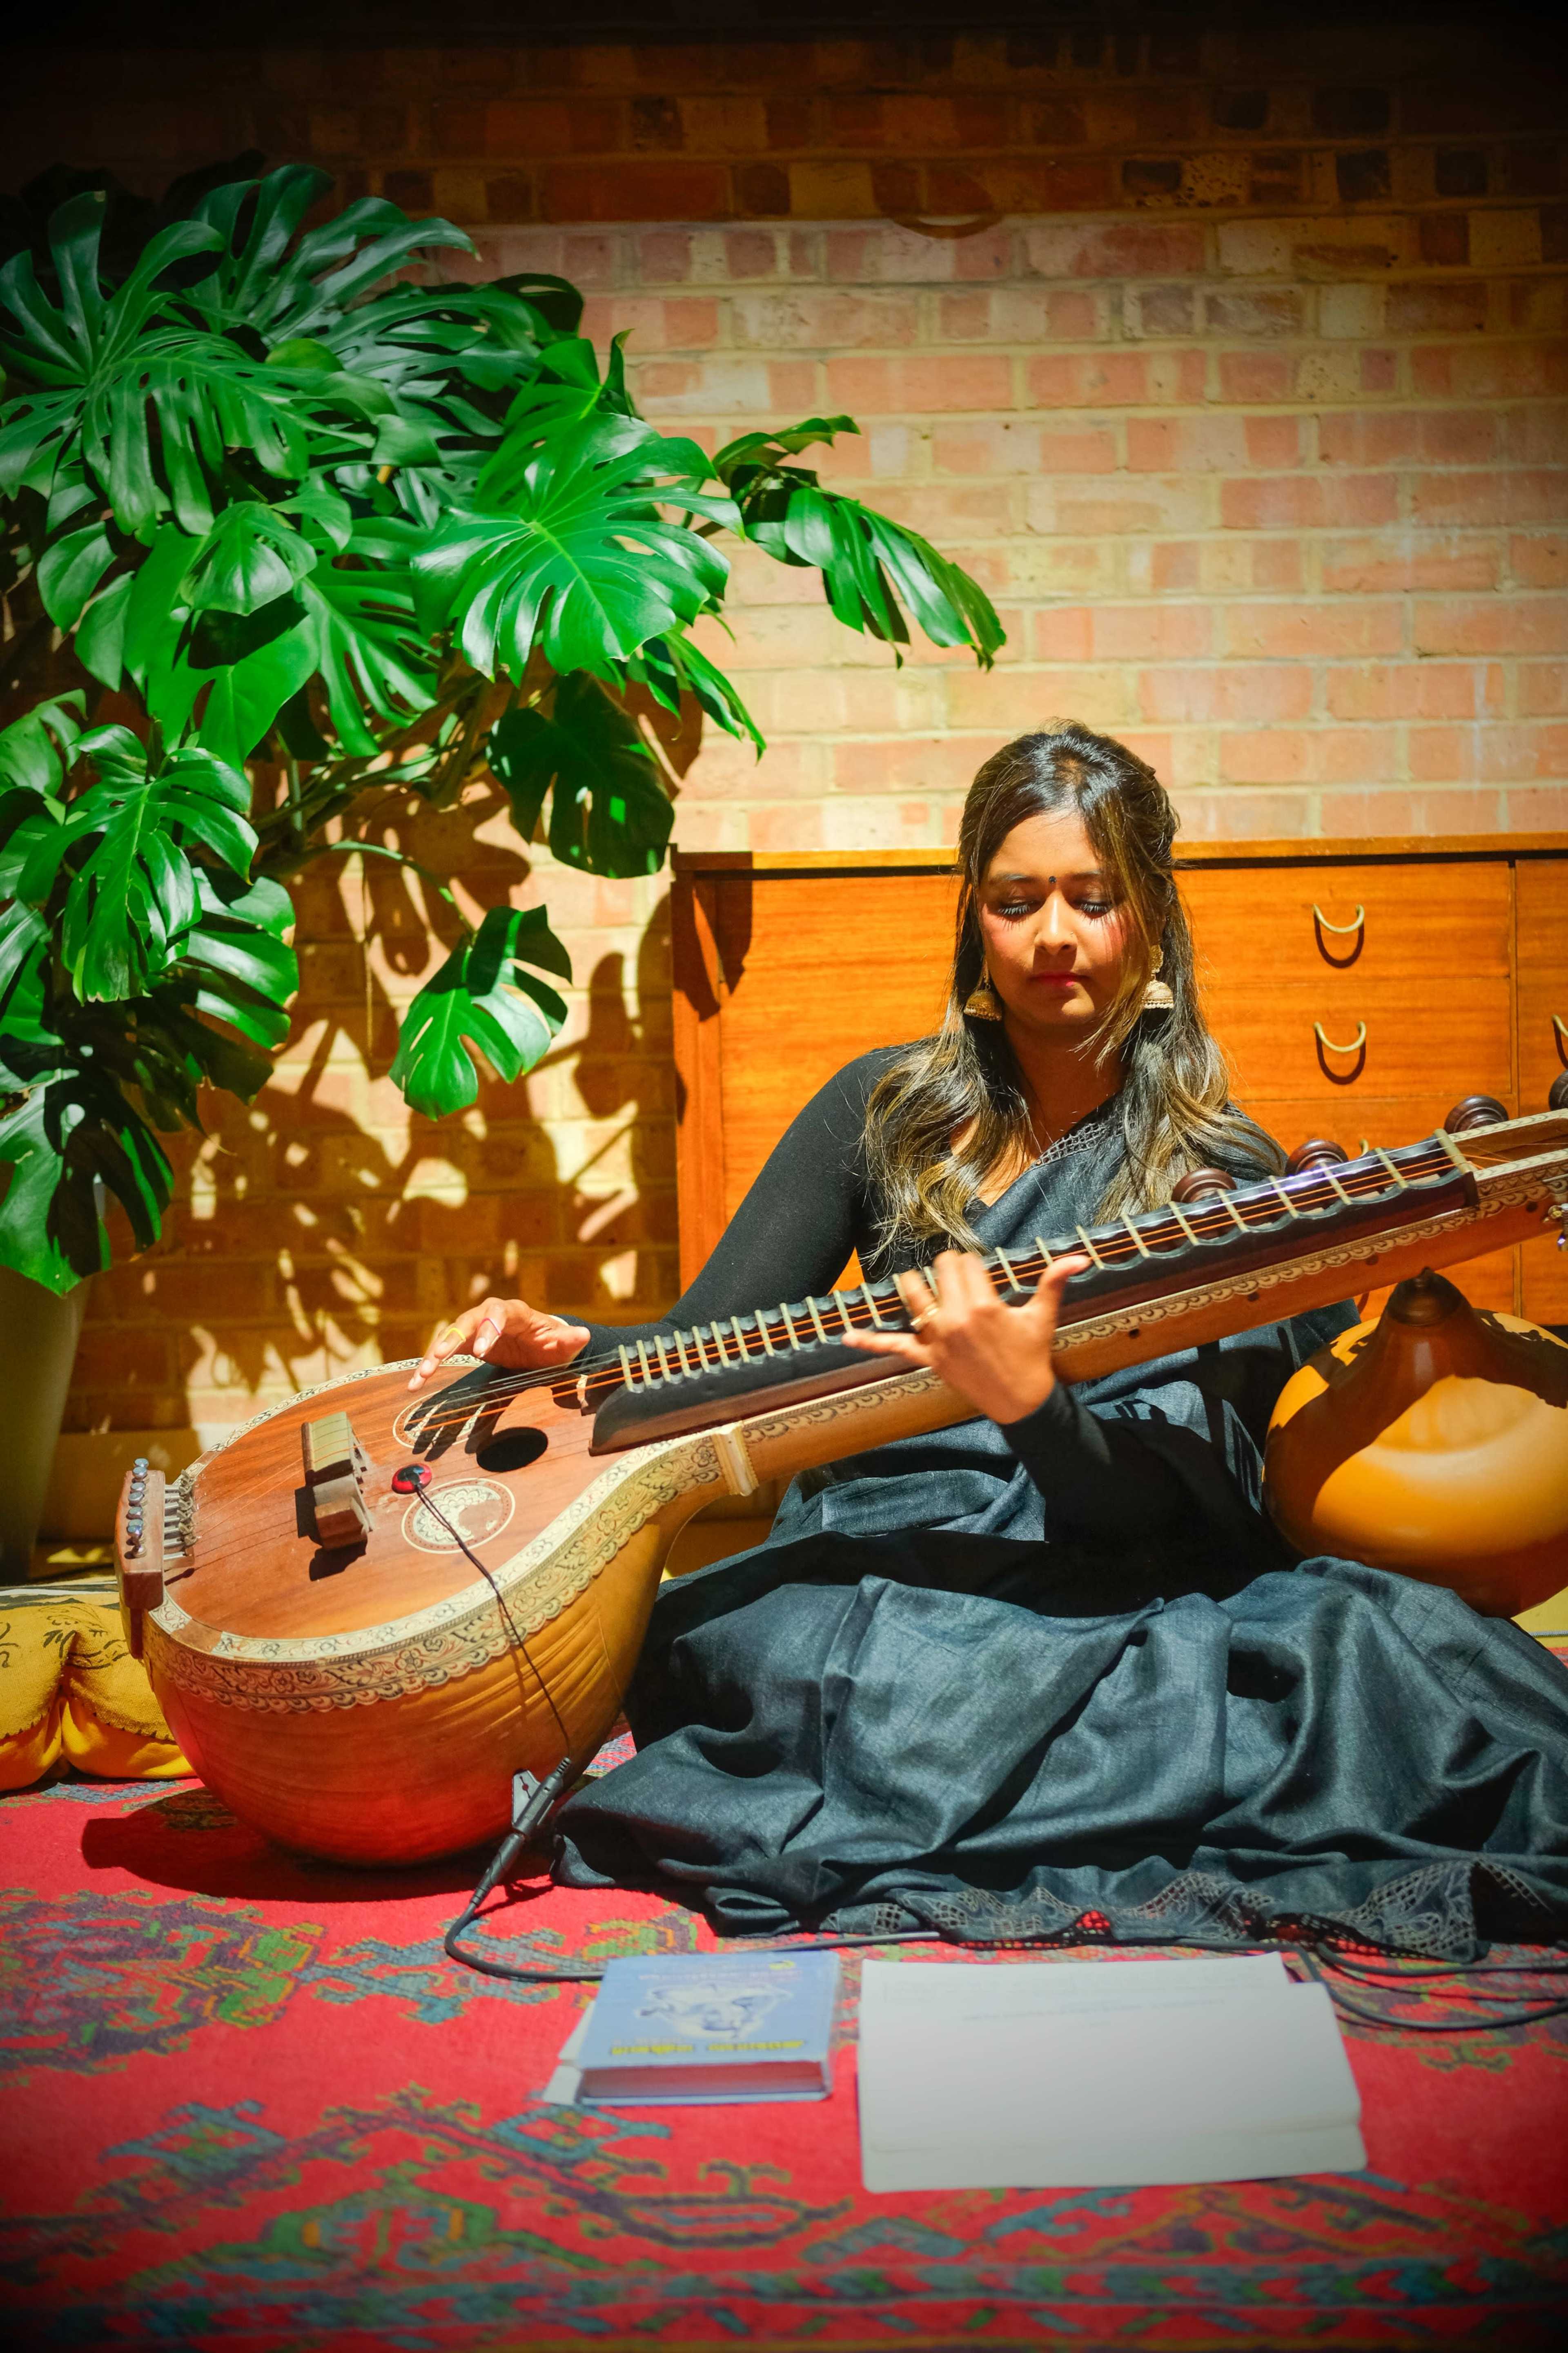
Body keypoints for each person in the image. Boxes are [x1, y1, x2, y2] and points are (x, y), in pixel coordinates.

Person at [414, 723, 1568, 1958]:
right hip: (895, 1553)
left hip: (1105, 1565)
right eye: (1018, 901)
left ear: (1151, 918)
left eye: (1092, 898)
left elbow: (1188, 1515)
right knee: (756, 1639)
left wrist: (1036, 1405)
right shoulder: (886, 1109)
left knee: (1346, 1664)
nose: (1055, 937)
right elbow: (723, 1338)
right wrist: (575, 1344)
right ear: (976, 917)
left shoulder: (1219, 1176)